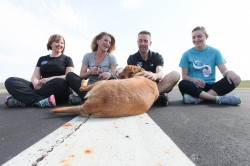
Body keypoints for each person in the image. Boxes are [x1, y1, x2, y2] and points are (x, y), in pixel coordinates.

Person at [4, 34, 74, 108]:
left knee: (61, 82)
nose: (60, 44)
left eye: (62, 43)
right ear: (50, 43)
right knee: (10, 81)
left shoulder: (67, 59)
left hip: (58, 89)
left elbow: (69, 76)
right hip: (42, 88)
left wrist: (48, 79)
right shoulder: (42, 59)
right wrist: (35, 84)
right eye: (57, 42)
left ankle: (23, 100)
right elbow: (35, 76)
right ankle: (40, 101)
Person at [178, 26, 241, 105]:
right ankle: (219, 99)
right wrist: (193, 79)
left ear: (206, 36)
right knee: (182, 83)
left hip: (212, 87)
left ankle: (198, 99)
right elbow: (184, 76)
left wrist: (230, 72)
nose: (196, 39)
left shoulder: (215, 52)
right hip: (195, 87)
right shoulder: (186, 54)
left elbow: (224, 71)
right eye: (193, 37)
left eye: (199, 36)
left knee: (232, 79)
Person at [127, 30, 180, 106]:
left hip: (156, 87)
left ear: (150, 43)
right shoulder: (132, 58)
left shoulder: (157, 56)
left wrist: (154, 75)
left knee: (176, 74)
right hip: (140, 87)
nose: (142, 43)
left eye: (145, 41)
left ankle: (149, 97)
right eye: (140, 41)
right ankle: (155, 98)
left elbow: (160, 73)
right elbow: (131, 77)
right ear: (137, 42)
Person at [66, 32, 118, 105]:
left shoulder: (112, 58)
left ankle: (85, 99)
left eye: (110, 42)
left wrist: (109, 74)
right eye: (106, 40)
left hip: (104, 87)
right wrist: (90, 72)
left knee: (113, 82)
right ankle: (91, 99)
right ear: (98, 41)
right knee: (70, 75)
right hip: (89, 88)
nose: (108, 43)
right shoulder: (88, 56)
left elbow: (116, 76)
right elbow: (81, 75)